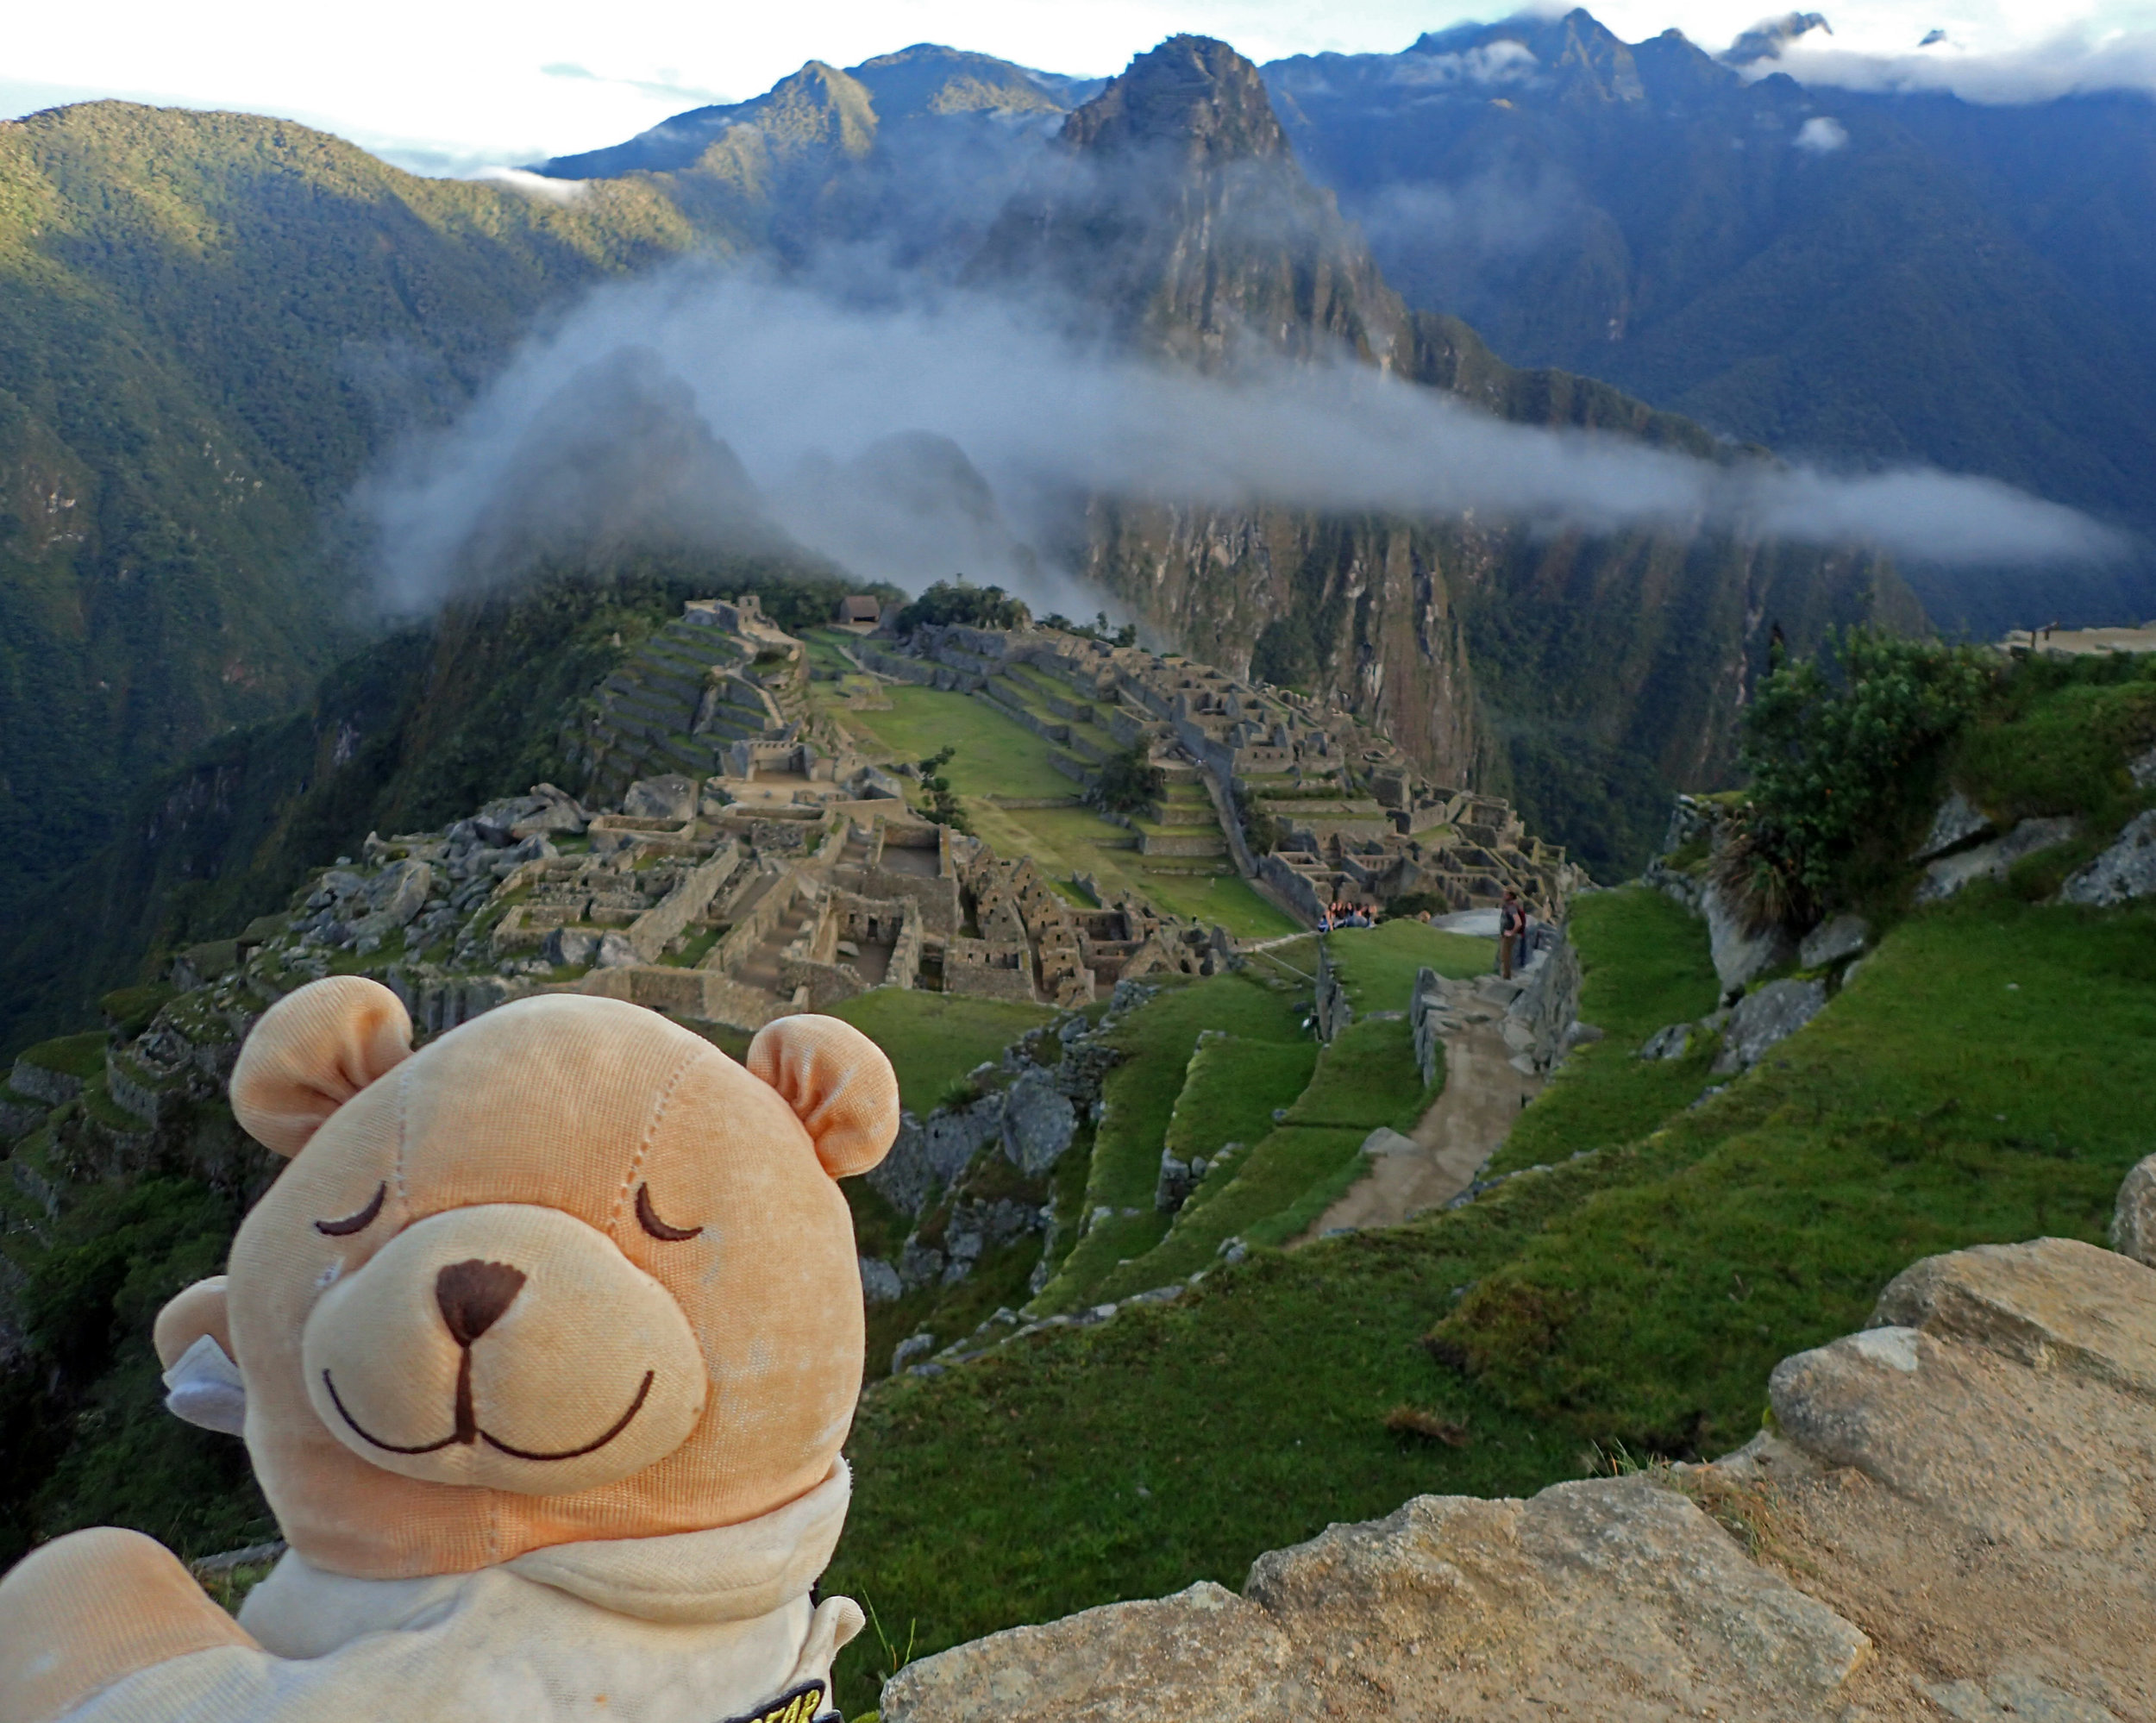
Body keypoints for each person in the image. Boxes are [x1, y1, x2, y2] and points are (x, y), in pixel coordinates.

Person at [1498, 889, 1527, 980]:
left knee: (1505, 957)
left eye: (1506, 894)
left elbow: (1518, 923)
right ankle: (1505, 975)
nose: (1503, 895)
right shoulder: (1507, 906)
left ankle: (1506, 977)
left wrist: (1511, 933)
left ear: (1511, 896)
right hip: (1505, 935)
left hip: (1508, 937)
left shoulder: (1511, 907)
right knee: (1503, 956)